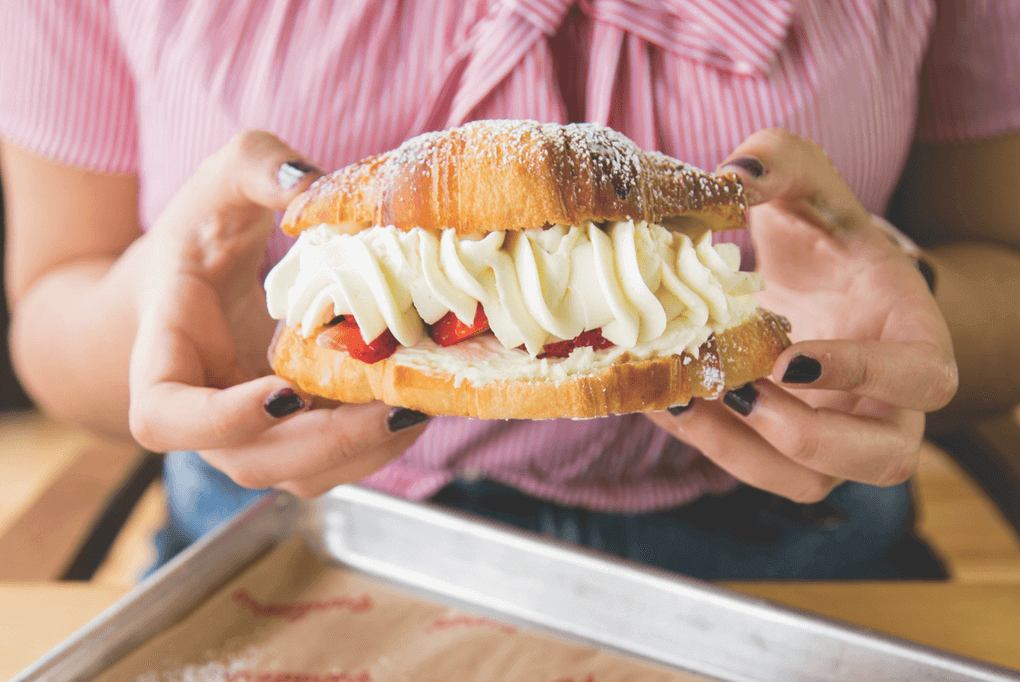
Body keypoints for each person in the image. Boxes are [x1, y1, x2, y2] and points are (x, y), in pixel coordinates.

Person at [1, 0, 1016, 580]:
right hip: (287, 548)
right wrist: (170, 322)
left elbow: (998, 267)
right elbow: (50, 304)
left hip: (798, 555)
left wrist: (913, 310)